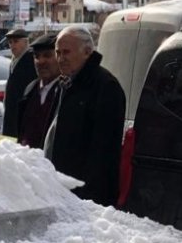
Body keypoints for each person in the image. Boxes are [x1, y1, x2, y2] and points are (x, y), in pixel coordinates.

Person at [44, 25, 126, 207]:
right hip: (60, 187)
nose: (60, 58)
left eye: (66, 52)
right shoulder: (64, 84)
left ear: (87, 52)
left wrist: (88, 195)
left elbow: (103, 151)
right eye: (58, 52)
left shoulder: (105, 86)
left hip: (86, 195)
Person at [16, 33, 61, 149]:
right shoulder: (30, 90)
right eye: (37, 56)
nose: (41, 61)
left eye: (47, 55)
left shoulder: (66, 91)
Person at [1, 27, 36, 138]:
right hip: (13, 112)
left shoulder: (30, 59)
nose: (12, 45)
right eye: (10, 42)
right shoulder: (15, 59)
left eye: (16, 42)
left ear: (25, 42)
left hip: (23, 113)